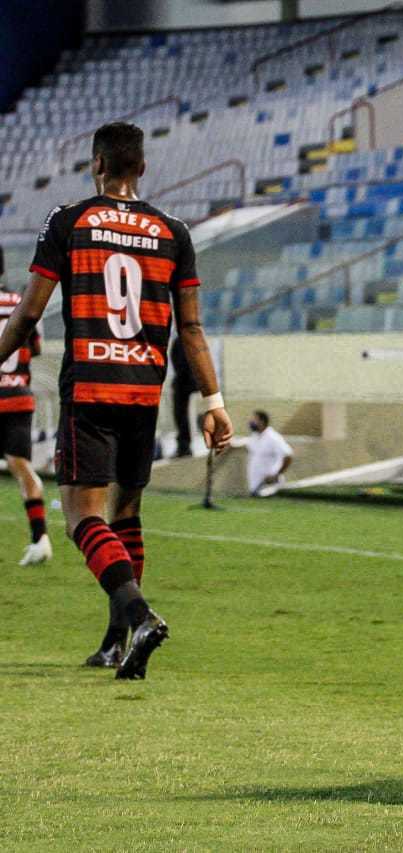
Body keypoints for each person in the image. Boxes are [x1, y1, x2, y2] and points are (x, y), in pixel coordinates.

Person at [1, 121, 233, 678]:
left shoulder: (71, 220)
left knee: (82, 516)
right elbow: (192, 330)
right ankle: (115, 640)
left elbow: (29, 312)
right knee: (126, 512)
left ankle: (140, 615)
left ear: (96, 164)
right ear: (143, 168)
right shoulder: (173, 231)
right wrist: (214, 401)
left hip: (90, 386)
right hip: (144, 391)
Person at [0, 285, 52, 565]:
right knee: (21, 467)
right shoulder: (20, 301)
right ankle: (40, 538)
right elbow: (35, 348)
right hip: (18, 396)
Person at [246, 410, 293, 497]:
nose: (251, 422)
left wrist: (276, 474)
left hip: (269, 486)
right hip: (255, 485)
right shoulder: (254, 436)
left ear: (262, 421)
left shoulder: (273, 437)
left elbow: (288, 456)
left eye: (254, 419)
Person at [170, 334, 197, 457]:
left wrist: (178, 382)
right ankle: (183, 445)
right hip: (185, 383)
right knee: (181, 415)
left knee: (181, 415)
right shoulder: (187, 340)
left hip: (184, 384)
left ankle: (184, 446)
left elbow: (182, 365)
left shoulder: (184, 340)